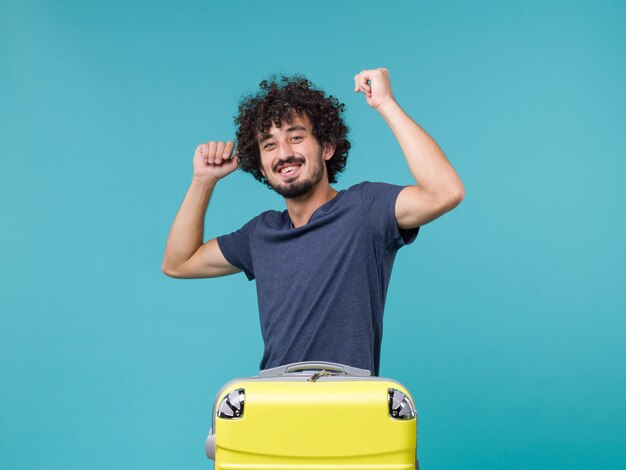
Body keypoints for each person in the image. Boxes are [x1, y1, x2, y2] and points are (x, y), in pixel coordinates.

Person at [162, 68, 464, 376]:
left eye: (296, 137)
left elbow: (445, 192)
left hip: (351, 405)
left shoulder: (364, 210)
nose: (284, 153)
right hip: (276, 406)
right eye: (269, 144)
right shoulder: (260, 233)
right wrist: (203, 180)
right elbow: (179, 262)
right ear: (261, 164)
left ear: (327, 148)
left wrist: (385, 103)